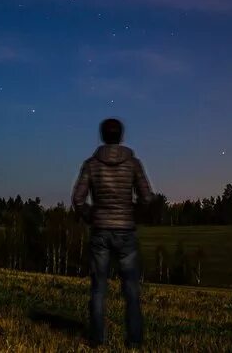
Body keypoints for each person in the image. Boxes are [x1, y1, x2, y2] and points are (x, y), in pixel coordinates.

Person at [72, 117, 154, 347]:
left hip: (100, 232)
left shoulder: (91, 164)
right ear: (121, 136)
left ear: (102, 136)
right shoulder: (133, 164)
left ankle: (97, 340)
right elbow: (147, 197)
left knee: (99, 288)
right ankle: (135, 341)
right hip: (126, 232)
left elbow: (78, 199)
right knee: (131, 289)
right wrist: (133, 213)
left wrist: (92, 216)